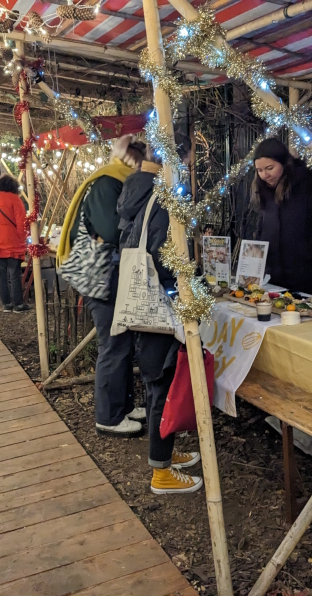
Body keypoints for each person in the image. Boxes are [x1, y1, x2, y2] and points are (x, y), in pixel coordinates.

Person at [117, 140, 203, 494]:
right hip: (159, 307)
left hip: (142, 305)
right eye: (189, 162)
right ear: (176, 161)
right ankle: (161, 473)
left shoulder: (138, 190)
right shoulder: (164, 199)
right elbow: (162, 254)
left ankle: (164, 455)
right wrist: (186, 289)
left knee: (158, 385)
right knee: (161, 387)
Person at [57, 135, 146, 437]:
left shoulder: (116, 180)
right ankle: (108, 417)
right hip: (102, 279)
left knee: (122, 343)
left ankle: (123, 406)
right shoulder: (108, 182)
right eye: (139, 158)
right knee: (114, 345)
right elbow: (110, 230)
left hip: (110, 277)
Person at [248, 138, 312, 294]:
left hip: (308, 276)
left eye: (270, 168)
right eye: (259, 170)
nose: (265, 175)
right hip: (275, 276)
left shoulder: (305, 184)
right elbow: (262, 225)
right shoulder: (262, 189)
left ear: (284, 163)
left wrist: (310, 253)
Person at [0, 174, 30, 313]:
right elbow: (21, 222)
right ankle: (18, 304)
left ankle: (6, 304)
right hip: (11, 241)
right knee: (14, 274)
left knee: (2, 274)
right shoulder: (15, 200)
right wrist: (23, 238)